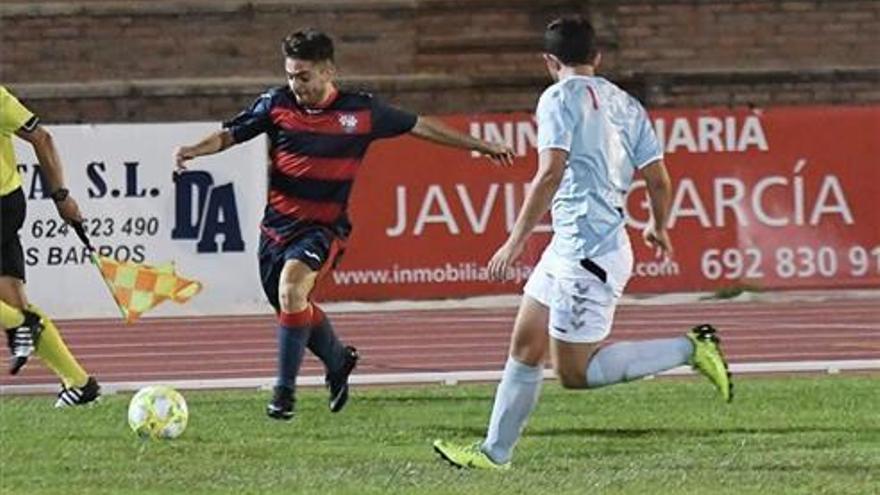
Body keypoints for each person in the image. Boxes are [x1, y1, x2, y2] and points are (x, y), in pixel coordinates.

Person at [432, 16, 732, 470]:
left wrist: (514, 242)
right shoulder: (625, 102)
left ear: (549, 61)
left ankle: (692, 347)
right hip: (573, 247)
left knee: (574, 373)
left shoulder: (556, 97)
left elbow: (550, 171)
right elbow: (660, 180)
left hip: (588, 253)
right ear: (597, 58)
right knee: (525, 345)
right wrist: (659, 226)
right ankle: (495, 454)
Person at [174, 29, 514, 420]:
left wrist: (483, 145)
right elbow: (231, 135)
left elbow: (422, 126)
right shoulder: (276, 104)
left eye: (303, 76)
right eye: (290, 75)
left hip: (322, 229)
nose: (295, 84)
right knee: (290, 303)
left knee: (291, 291)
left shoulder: (362, 111)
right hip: (275, 230)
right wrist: (194, 150)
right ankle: (338, 361)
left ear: (327, 71)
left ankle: (283, 394)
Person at [0, 85, 101, 407]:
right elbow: (41, 136)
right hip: (8, 202)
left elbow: (41, 139)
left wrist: (61, 197)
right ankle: (80, 383)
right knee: (12, 299)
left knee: (15, 315)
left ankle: (19, 325)